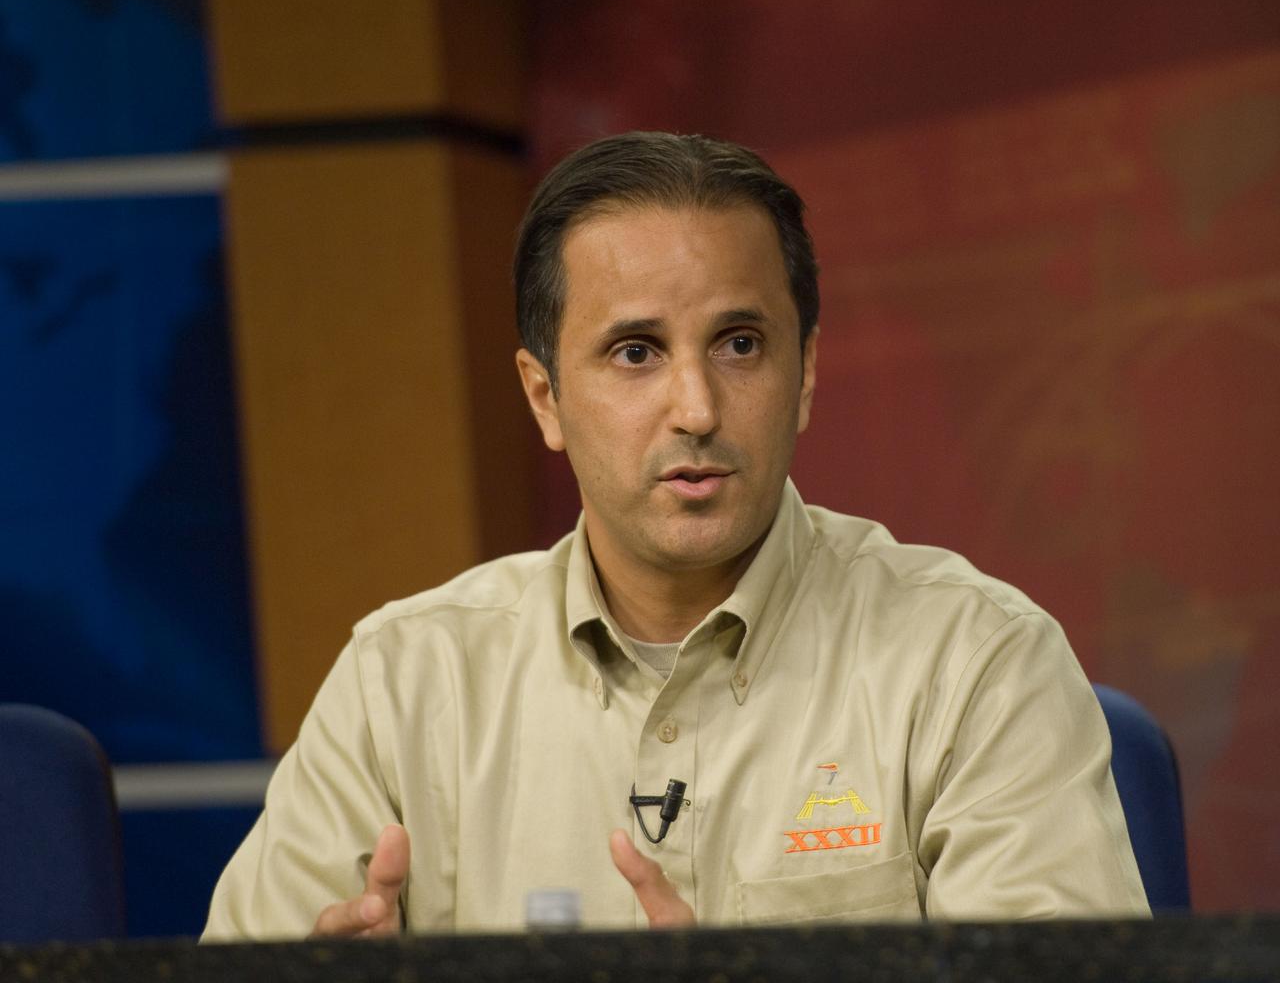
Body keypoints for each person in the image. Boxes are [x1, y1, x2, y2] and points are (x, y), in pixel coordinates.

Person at [203, 131, 1148, 939]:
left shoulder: (972, 661)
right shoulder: (403, 686)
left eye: (741, 344)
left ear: (807, 371)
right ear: (547, 397)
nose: (695, 407)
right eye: (635, 352)